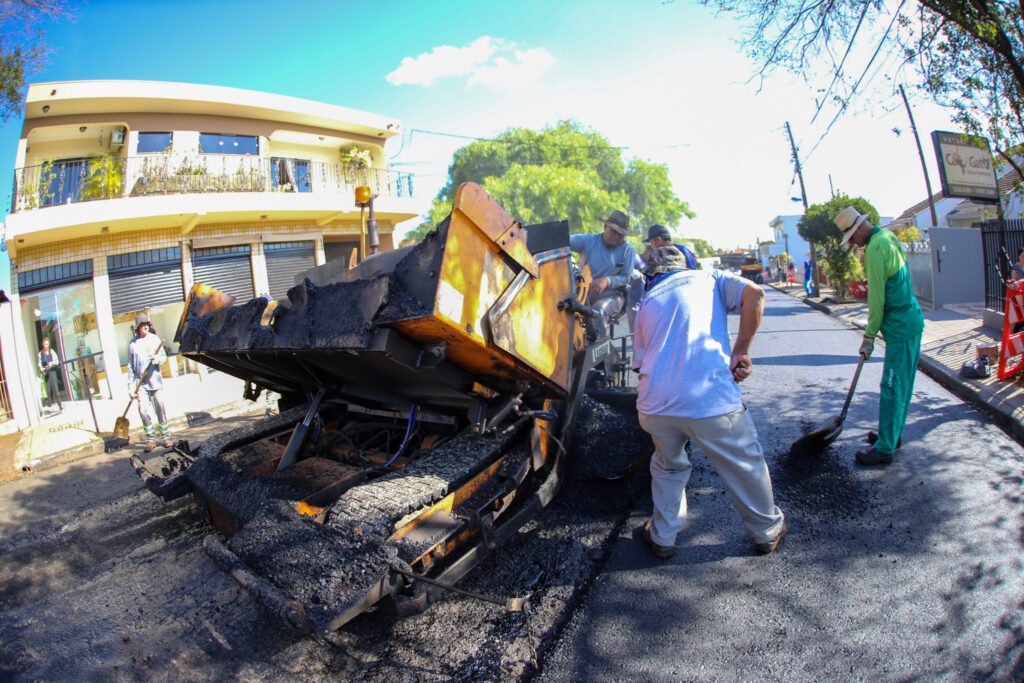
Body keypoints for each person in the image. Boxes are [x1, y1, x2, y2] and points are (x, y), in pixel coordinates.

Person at [632, 246, 786, 559]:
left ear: (652, 275)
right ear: (688, 265)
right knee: (744, 464)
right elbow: (755, 294)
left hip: (655, 406)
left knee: (668, 465)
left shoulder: (647, 301)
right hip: (710, 402)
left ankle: (662, 536)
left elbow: (639, 365)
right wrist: (740, 351)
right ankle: (767, 531)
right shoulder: (709, 277)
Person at [834, 206, 924, 466]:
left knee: (892, 386)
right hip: (910, 321)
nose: (853, 243)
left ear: (860, 228)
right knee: (902, 385)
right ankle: (892, 435)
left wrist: (869, 336)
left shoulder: (874, 249)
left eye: (852, 237)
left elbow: (877, 298)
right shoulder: (888, 237)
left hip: (900, 327)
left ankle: (885, 448)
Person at [569, 210, 638, 321]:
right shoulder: (588, 241)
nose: (616, 236)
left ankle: (593, 337)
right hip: (581, 292)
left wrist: (607, 280)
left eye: (620, 234)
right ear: (605, 227)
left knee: (598, 312)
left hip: (612, 296)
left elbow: (626, 278)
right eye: (613, 231)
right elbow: (564, 242)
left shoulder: (628, 250)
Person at [128, 312, 172, 452]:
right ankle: (151, 440)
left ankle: (166, 437)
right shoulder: (133, 344)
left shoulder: (154, 339)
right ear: (138, 327)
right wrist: (130, 386)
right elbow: (130, 366)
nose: (146, 326)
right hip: (141, 384)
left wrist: (157, 360)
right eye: (143, 324)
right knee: (143, 410)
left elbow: (163, 356)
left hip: (155, 382)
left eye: (147, 324)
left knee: (160, 406)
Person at [37, 337, 62, 411]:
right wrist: (41, 368)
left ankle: (60, 405)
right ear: (43, 344)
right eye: (45, 344)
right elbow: (39, 364)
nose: (46, 346)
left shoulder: (52, 351)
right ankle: (49, 405)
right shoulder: (40, 354)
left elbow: (57, 361)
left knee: (55, 389)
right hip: (46, 373)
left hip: (52, 371)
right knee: (47, 390)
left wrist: (51, 363)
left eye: (47, 344)